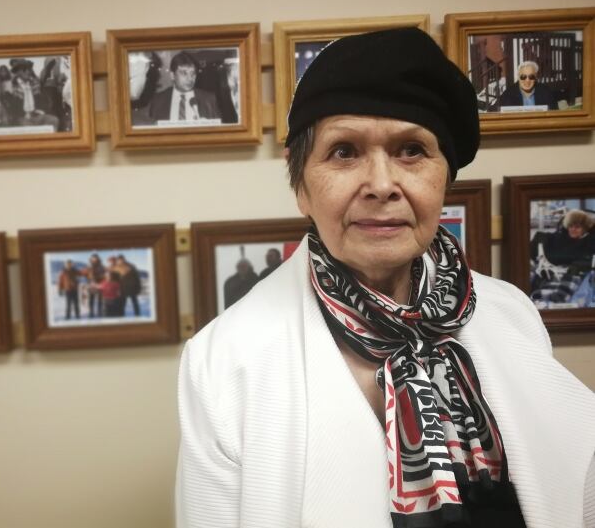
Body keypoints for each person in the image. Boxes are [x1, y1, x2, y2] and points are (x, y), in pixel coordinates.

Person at [177, 28, 595, 528]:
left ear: (444, 180)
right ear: (302, 187)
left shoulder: (512, 313)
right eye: (344, 152)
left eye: (412, 150)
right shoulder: (223, 361)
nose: (380, 185)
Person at [147, 51, 220, 124]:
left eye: (193, 73)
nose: (190, 78)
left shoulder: (209, 100)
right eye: (184, 73)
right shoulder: (158, 100)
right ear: (172, 75)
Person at [85, 253, 106, 318]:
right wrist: (89, 280)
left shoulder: (101, 266)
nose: (94, 259)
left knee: (100, 299)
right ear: (91, 259)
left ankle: (100, 312)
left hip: (99, 284)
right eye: (93, 258)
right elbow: (86, 275)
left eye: (95, 258)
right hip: (92, 284)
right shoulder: (89, 266)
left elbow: (104, 274)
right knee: (91, 299)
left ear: (98, 258)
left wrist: (100, 278)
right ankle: (91, 312)